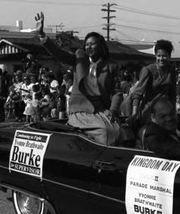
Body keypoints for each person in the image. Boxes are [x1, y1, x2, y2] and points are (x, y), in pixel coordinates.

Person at [35, 12, 122, 145]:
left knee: (116, 130)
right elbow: (59, 54)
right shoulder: (79, 59)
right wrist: (42, 34)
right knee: (105, 132)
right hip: (80, 110)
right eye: (86, 44)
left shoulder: (110, 66)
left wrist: (113, 110)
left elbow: (117, 92)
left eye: (93, 44)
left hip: (100, 110)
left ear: (101, 46)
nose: (89, 47)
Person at [130, 39, 177, 132]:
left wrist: (173, 111)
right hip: (150, 111)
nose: (161, 59)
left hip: (165, 110)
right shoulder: (148, 70)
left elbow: (173, 93)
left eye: (164, 56)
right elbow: (138, 94)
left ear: (169, 56)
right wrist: (134, 113)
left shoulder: (171, 69)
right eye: (158, 56)